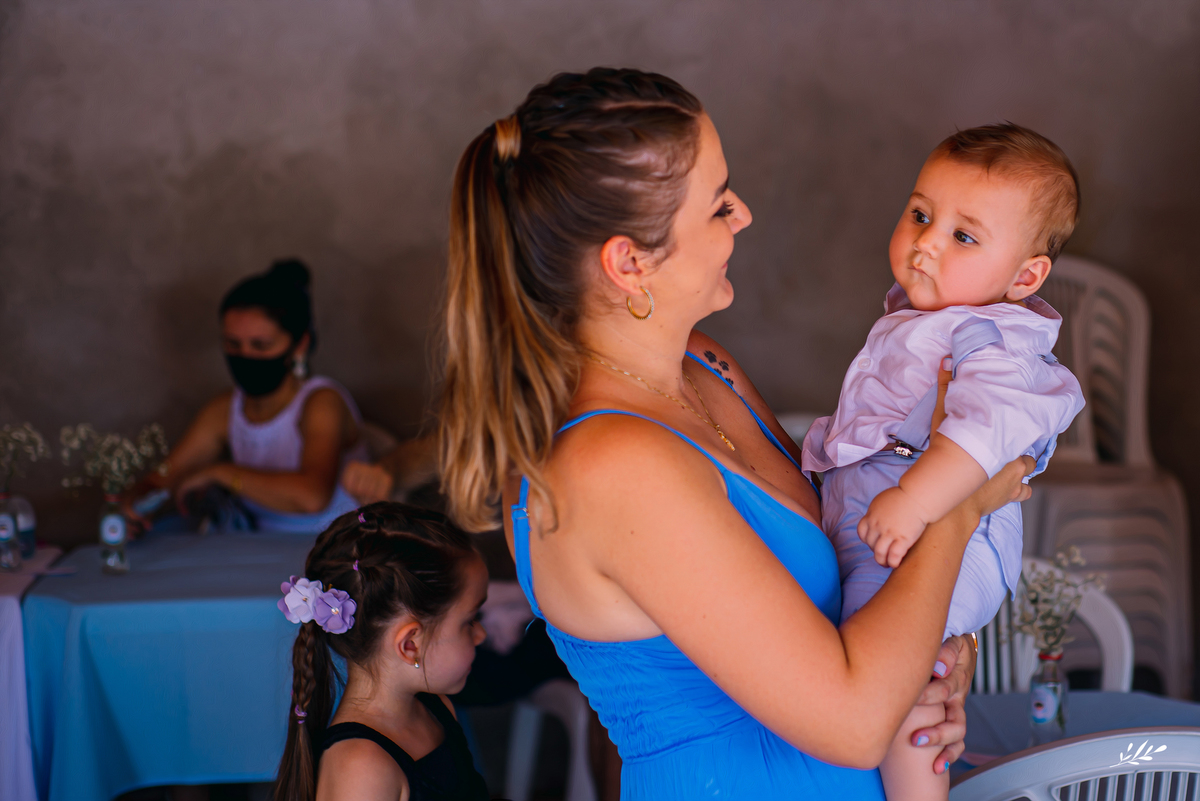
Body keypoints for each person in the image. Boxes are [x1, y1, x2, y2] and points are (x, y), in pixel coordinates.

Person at [436, 67, 1034, 799]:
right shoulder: (609, 463)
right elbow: (851, 720)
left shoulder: (707, 370)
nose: (744, 214)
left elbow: (851, 569)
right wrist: (961, 508)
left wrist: (940, 654)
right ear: (630, 263)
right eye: (718, 205)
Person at [801, 124, 1085, 798]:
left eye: (963, 235)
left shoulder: (995, 337)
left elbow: (986, 433)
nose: (926, 242)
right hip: (901, 514)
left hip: (931, 522)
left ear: (1025, 276)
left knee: (902, 683)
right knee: (902, 667)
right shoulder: (936, 316)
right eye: (921, 214)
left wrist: (918, 500)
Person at [124, 259, 367, 533]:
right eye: (232, 344)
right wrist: (135, 502)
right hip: (258, 545)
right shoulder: (225, 409)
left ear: (300, 345)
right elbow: (163, 478)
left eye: (260, 346)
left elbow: (311, 498)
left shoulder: (321, 402)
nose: (246, 357)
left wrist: (221, 473)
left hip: (333, 546)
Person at [273, 502, 490, 801]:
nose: (482, 634)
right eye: (469, 622)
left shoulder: (436, 707)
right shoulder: (361, 768)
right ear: (410, 644)